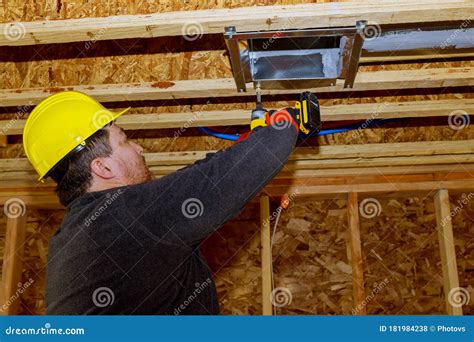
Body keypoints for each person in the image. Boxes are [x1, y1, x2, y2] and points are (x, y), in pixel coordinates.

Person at [22, 91, 301, 314]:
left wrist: (248, 141)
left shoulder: (82, 234)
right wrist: (285, 124)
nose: (139, 148)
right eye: (125, 140)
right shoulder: (123, 217)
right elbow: (227, 177)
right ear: (103, 168)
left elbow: (194, 180)